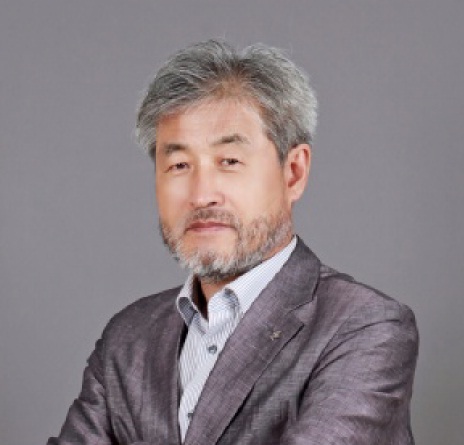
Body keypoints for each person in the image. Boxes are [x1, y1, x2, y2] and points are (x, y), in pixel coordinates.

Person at [48, 40, 418, 445]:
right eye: (179, 165)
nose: (201, 194)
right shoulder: (128, 337)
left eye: (230, 161)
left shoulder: (363, 326)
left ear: (293, 172)